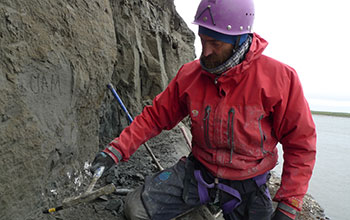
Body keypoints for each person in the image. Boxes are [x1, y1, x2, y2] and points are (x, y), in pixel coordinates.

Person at [90, 0, 317, 219]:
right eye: (203, 40)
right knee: (135, 210)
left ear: (239, 40)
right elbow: (154, 117)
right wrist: (116, 151)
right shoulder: (190, 75)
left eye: (215, 44)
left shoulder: (280, 79)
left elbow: (301, 145)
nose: (205, 52)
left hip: (248, 185)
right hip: (198, 173)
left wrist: (289, 205)